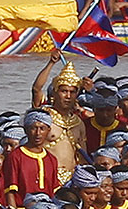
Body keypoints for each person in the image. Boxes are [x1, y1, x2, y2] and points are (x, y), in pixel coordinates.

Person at [31, 57, 87, 185]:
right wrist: (51, 63)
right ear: (55, 93)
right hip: (47, 177)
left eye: (72, 92)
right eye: (64, 91)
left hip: (72, 180)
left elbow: (82, 157)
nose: (68, 96)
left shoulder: (79, 123)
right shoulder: (44, 116)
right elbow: (36, 89)